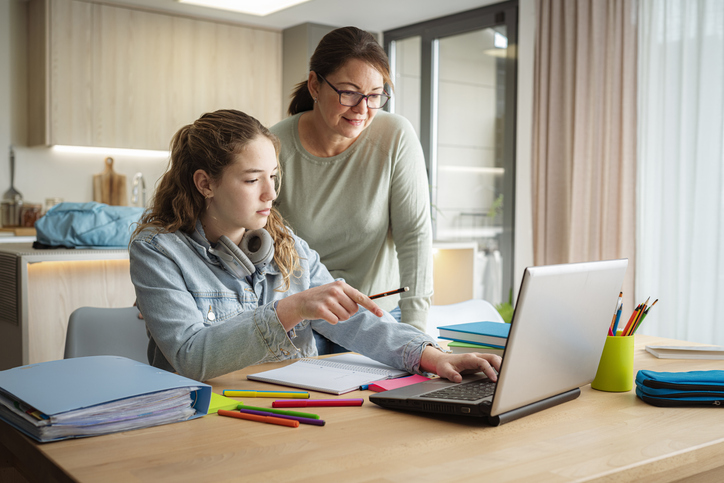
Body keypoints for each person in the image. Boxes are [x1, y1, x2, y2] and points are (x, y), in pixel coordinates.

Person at [129, 109, 500, 383]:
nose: (271, 193)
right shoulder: (157, 251)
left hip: (293, 410)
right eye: (252, 180)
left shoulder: (288, 244)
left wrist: (431, 356)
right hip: (202, 423)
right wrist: (290, 309)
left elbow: (352, 320)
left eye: (274, 177)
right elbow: (192, 356)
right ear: (205, 184)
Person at [270, 26, 433, 338]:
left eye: (375, 96)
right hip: (305, 323)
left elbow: (414, 235)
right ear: (315, 85)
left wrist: (415, 334)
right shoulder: (274, 146)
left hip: (380, 316)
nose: (362, 109)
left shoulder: (394, 136)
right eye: (349, 93)